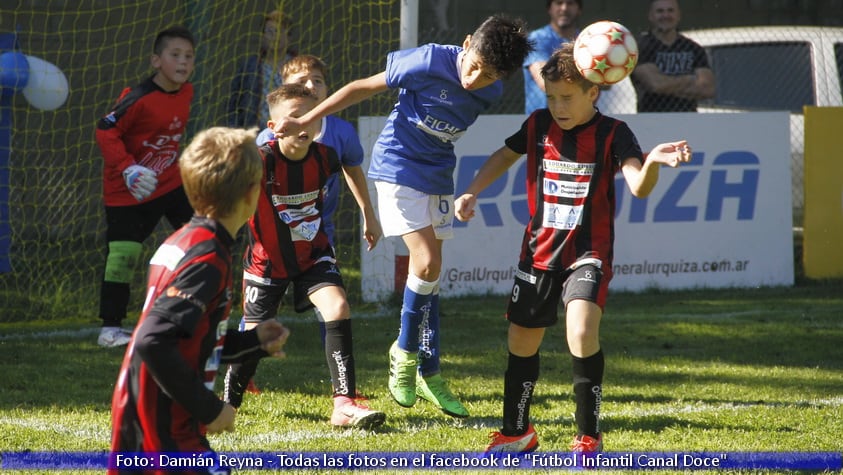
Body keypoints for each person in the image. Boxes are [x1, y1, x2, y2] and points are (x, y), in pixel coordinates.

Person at [274, 14, 533, 420]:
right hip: (396, 167)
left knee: (431, 276)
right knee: (426, 261)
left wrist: (468, 193)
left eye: (487, 75)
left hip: (437, 176)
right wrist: (308, 119)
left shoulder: (491, 90)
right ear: (466, 43)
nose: (474, 79)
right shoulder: (429, 61)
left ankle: (429, 371)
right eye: (474, 64)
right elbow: (362, 87)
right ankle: (405, 350)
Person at [454, 43, 691, 453]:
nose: (558, 106)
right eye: (551, 97)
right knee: (521, 342)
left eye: (567, 97)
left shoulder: (615, 133)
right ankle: (517, 432)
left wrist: (651, 162)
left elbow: (638, 186)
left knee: (580, 332)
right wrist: (471, 191)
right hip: (539, 252)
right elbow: (503, 155)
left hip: (588, 252)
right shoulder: (538, 125)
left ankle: (588, 435)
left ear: (593, 92)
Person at [108, 126, 290, 474]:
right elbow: (153, 340)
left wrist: (253, 342)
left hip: (141, 410)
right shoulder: (207, 256)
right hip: (166, 425)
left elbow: (191, 337)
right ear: (253, 194)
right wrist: (210, 409)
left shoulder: (184, 239)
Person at [223, 84, 386, 430]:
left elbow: (352, 168)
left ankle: (343, 404)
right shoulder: (261, 160)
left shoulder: (326, 156)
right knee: (255, 337)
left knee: (338, 307)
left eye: (311, 116)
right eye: (293, 117)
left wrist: (368, 213)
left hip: (313, 255)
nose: (303, 124)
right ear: (274, 127)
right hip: (266, 264)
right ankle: (227, 408)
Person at [255, 54, 381, 354]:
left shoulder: (341, 133)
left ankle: (338, 369)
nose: (311, 86)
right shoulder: (266, 139)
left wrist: (368, 213)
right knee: (258, 311)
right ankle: (245, 369)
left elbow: (353, 170)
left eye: (318, 80)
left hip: (318, 232)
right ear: (284, 89)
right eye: (301, 81)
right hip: (273, 239)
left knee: (332, 301)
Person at [95, 25, 197, 348]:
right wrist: (128, 170)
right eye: (175, 55)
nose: (183, 62)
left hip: (169, 184)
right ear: (156, 60)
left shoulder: (187, 92)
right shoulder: (138, 98)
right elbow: (104, 129)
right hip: (128, 191)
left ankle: (193, 312)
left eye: (189, 56)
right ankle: (110, 329)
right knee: (122, 257)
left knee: (202, 239)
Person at [630, 0, 715, 112]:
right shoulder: (640, 47)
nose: (666, 15)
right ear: (651, 16)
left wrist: (667, 85)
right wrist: (690, 79)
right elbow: (655, 84)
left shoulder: (694, 48)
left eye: (670, 11)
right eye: (660, 11)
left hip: (687, 119)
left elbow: (707, 89)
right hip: (651, 119)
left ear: (678, 15)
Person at [227, 9, 296, 128]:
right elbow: (234, 103)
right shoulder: (250, 67)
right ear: (262, 35)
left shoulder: (299, 67)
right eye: (270, 31)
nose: (274, 35)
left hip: (289, 131)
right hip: (254, 132)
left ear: (289, 36)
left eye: (280, 31)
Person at [523, 0, 582, 115]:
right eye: (559, 3)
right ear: (549, 9)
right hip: (542, 120)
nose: (564, 8)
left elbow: (602, 83)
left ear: (579, 10)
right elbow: (546, 80)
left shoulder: (588, 40)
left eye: (570, 3)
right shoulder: (536, 39)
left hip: (579, 118)